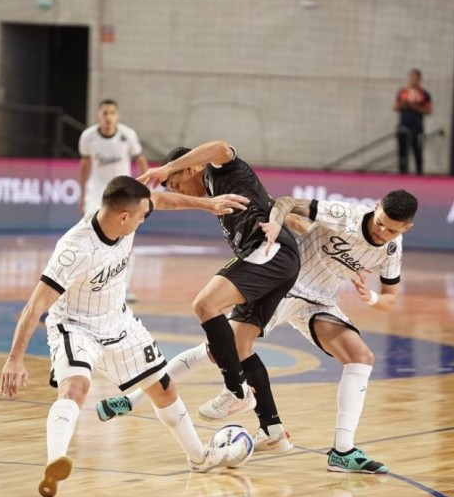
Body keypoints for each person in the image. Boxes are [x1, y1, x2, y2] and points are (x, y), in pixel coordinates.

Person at [97, 189, 419, 475]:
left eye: (391, 230)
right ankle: (137, 397)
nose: (381, 232)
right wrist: (281, 221)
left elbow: (390, 298)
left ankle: (342, 451)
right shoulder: (344, 215)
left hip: (320, 302)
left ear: (406, 228)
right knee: (218, 348)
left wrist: (372, 298)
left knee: (361, 357)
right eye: (379, 222)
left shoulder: (392, 250)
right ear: (375, 207)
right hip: (285, 285)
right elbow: (286, 202)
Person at [0, 176, 252, 497]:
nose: (146, 218)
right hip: (75, 326)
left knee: (163, 389)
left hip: (118, 323)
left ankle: (200, 458)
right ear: (123, 217)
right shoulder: (75, 249)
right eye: (142, 215)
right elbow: (35, 306)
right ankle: (56, 461)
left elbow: (162, 201)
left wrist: (207, 204)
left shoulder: (125, 215)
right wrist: (14, 359)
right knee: (76, 387)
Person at [137, 141, 301, 451]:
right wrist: (151, 192)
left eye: (178, 183)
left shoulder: (222, 171)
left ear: (191, 168)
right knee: (239, 346)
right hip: (275, 262)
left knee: (205, 304)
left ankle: (236, 390)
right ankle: (273, 430)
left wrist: (166, 168)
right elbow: (165, 201)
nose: (179, 190)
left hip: (271, 253)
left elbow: (220, 146)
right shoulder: (212, 198)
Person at [78, 99, 148, 303]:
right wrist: (82, 194)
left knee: (125, 238)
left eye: (112, 113)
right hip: (96, 194)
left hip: (123, 194)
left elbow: (141, 160)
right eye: (104, 113)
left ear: (117, 116)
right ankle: (91, 282)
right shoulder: (88, 137)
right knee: (91, 236)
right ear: (99, 115)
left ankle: (123, 288)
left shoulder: (128, 136)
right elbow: (84, 164)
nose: (108, 117)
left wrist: (146, 190)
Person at [393, 69, 432, 175]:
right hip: (404, 126)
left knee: (417, 152)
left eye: (415, 77)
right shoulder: (403, 92)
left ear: (419, 79)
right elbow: (395, 107)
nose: (413, 80)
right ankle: (402, 174)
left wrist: (415, 107)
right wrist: (405, 104)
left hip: (417, 127)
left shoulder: (424, 94)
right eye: (411, 77)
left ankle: (419, 174)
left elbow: (428, 110)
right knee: (402, 153)